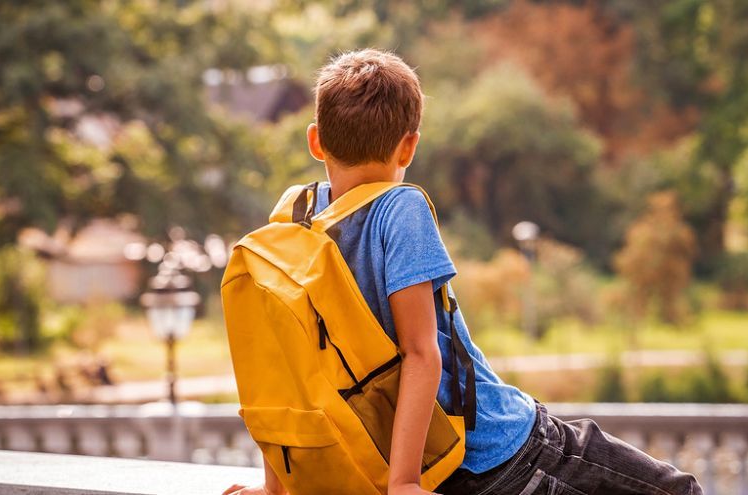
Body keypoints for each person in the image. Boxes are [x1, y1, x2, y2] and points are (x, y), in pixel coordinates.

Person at [223, 49, 702, 495]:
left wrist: (277, 487)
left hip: (386, 459)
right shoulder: (399, 209)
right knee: (679, 490)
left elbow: (285, 373)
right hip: (493, 450)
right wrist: (405, 483)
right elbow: (420, 353)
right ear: (408, 147)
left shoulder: (293, 216)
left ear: (315, 140)